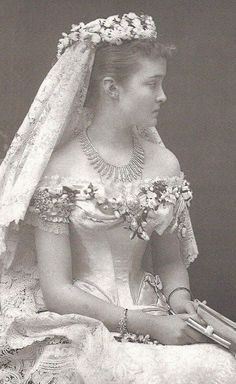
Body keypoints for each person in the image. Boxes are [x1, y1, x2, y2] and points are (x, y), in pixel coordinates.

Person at [0, 12, 235, 384]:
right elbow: (57, 290)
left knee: (222, 368)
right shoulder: (60, 169)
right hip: (84, 324)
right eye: (152, 84)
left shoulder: (165, 163)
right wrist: (144, 326)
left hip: (156, 313)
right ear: (112, 88)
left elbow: (171, 262)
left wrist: (180, 303)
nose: (162, 96)